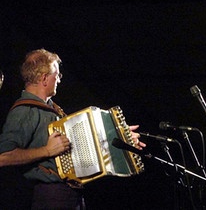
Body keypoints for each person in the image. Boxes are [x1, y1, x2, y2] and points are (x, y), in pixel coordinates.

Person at [0, 49, 145, 209]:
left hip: (70, 194)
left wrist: (121, 137)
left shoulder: (52, 109)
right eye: (57, 75)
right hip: (51, 196)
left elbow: (84, 144)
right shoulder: (24, 111)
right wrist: (47, 151)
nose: (59, 80)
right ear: (44, 78)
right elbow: (3, 156)